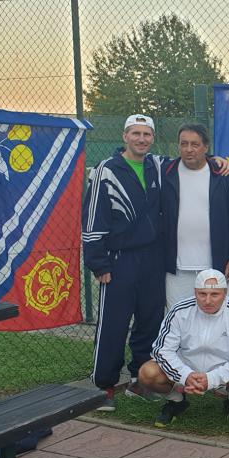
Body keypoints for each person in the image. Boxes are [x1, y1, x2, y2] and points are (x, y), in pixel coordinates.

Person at [82, 114, 166, 410]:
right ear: (125, 136)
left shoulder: (158, 166)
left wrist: (216, 161)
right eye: (136, 133)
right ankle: (103, 385)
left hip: (153, 259)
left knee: (150, 321)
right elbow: (92, 219)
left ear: (152, 138)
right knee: (113, 324)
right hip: (119, 260)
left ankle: (139, 380)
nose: (141, 139)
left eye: (146, 134)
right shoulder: (105, 170)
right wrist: (99, 263)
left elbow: (190, 159)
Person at [137, 269, 229, 427]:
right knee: (147, 373)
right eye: (202, 294)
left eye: (214, 294)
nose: (207, 300)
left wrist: (212, 379)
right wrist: (186, 375)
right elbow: (162, 350)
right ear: (195, 292)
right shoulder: (179, 310)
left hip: (223, 373)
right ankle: (176, 401)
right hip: (185, 369)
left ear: (225, 293)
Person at [160, 123, 229, 310]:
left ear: (206, 147)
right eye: (184, 144)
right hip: (176, 269)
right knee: (179, 317)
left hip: (215, 265)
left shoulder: (222, 175)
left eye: (195, 144)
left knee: (218, 317)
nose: (189, 149)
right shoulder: (165, 173)